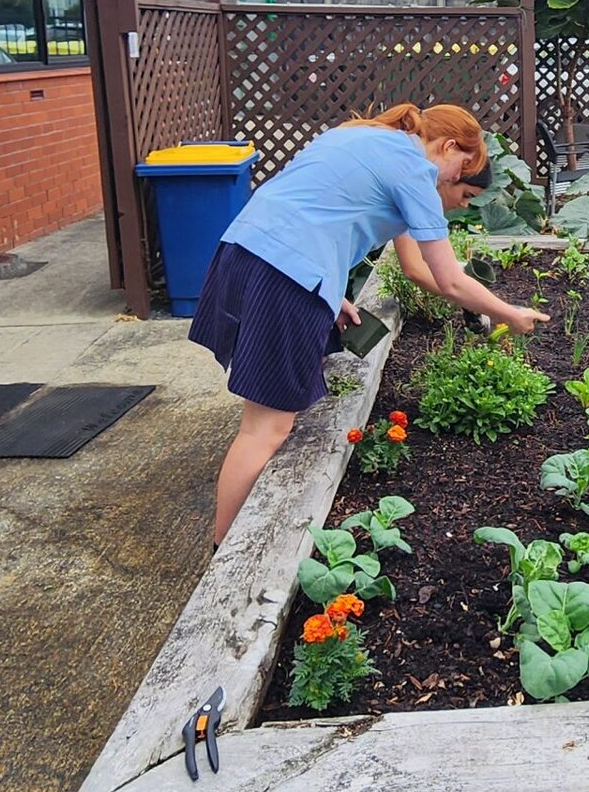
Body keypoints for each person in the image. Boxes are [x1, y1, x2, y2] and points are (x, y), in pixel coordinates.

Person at [191, 102, 549, 546]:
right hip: (282, 274)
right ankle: (225, 548)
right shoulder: (416, 170)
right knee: (264, 428)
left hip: (242, 255)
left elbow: (326, 216)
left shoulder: (364, 137)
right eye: (463, 182)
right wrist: (509, 313)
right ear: (449, 147)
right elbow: (449, 280)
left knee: (271, 414)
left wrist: (326, 289)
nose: (459, 194)